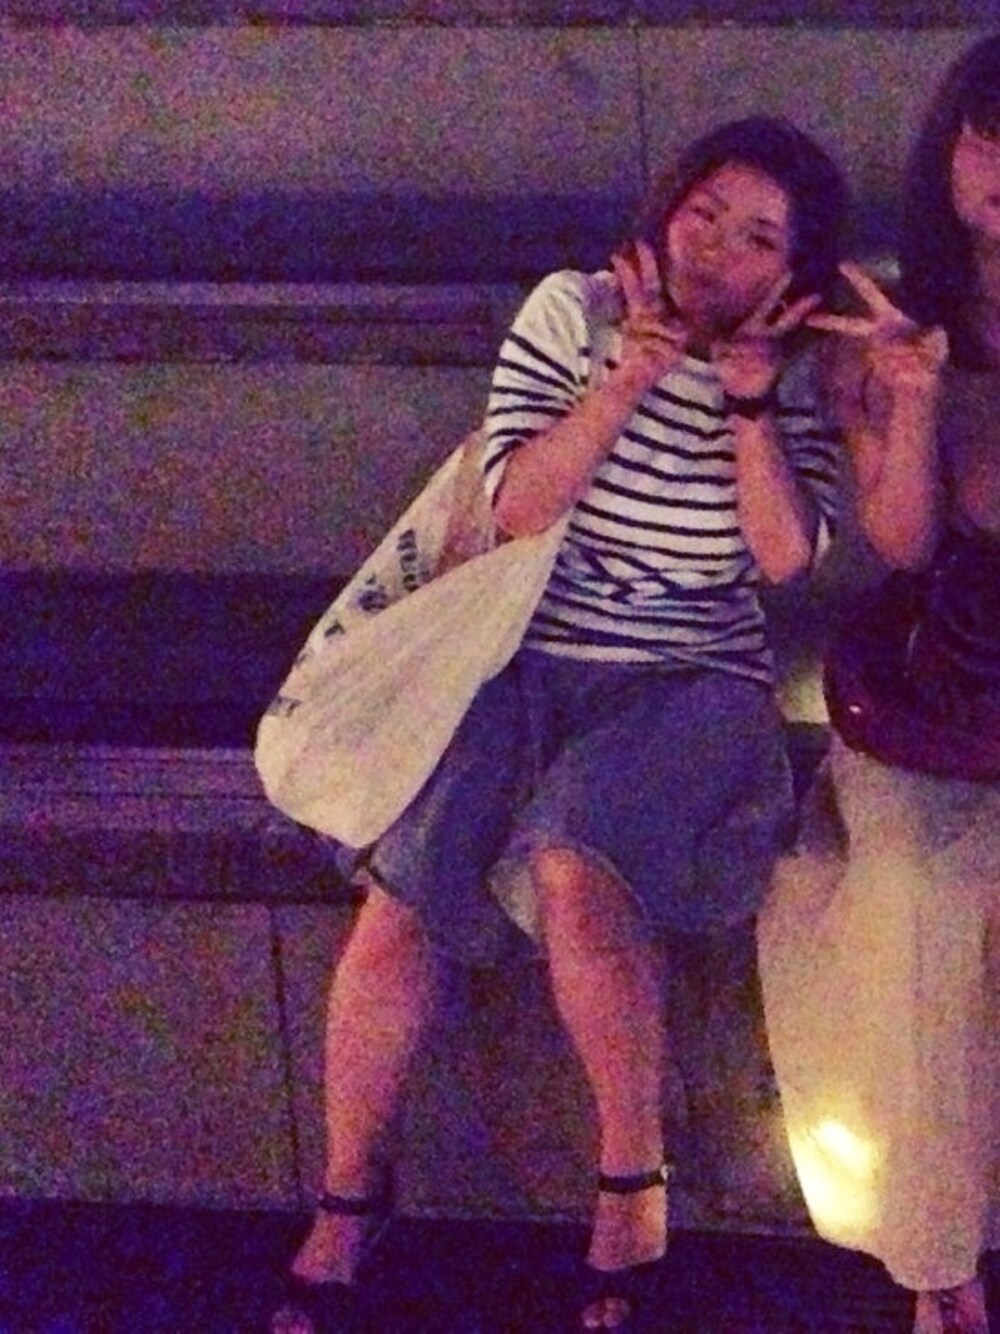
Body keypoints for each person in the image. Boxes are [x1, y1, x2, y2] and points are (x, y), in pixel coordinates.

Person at [271, 115, 846, 1334]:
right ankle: (349, 1190)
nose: (715, 250)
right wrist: (624, 379)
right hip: (522, 660)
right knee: (403, 891)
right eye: (703, 213)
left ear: (791, 269)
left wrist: (747, 405)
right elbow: (521, 505)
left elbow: (782, 559)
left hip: (692, 679)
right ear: (664, 208)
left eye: (757, 237)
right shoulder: (570, 311)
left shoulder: (800, 371)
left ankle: (632, 1182)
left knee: (575, 861)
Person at [759, 34, 1000, 1334]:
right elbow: (901, 544)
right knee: (920, 894)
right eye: (989, 132)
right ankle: (939, 1263)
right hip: (941, 690)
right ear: (950, 150)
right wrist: (911, 401)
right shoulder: (888, 331)